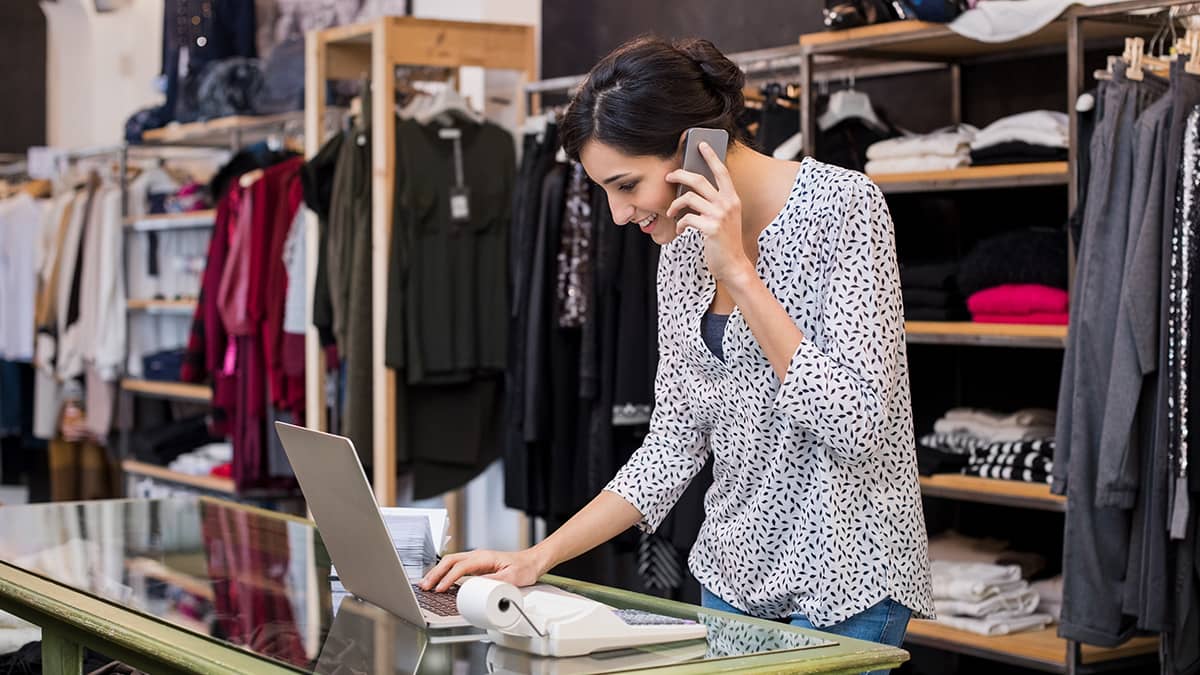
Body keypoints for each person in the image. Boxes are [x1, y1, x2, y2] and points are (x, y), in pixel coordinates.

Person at [420, 35, 935, 652]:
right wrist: (536, 558)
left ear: (696, 147)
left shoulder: (845, 207)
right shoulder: (678, 253)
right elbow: (672, 444)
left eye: (626, 184)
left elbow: (859, 423)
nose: (617, 214)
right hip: (733, 576)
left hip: (848, 579)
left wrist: (740, 273)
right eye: (605, 192)